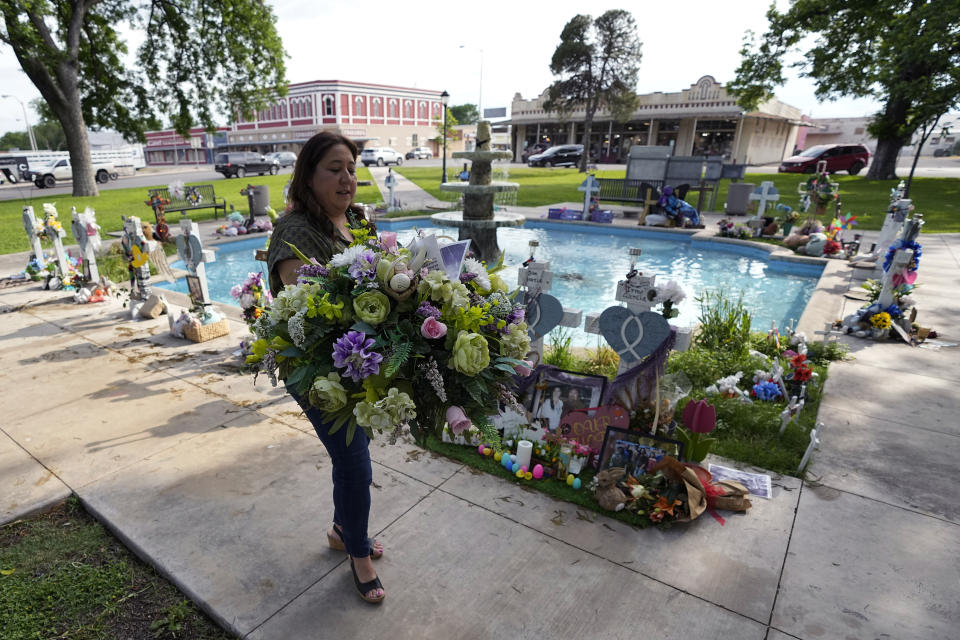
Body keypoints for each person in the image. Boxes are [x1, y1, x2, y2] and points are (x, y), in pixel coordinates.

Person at [266, 131, 386, 604]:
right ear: (309, 176)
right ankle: (358, 552)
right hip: (318, 370)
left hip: (363, 360)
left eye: (352, 170)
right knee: (356, 462)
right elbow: (309, 313)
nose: (347, 180)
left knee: (349, 456)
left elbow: (382, 272)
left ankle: (342, 529)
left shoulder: (357, 220)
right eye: (334, 169)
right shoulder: (294, 232)